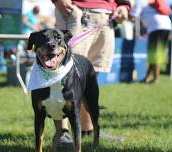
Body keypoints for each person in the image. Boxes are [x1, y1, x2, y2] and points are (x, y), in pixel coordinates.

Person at [51, 0, 131, 146]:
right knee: (66, 75)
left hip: (107, 17)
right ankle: (63, 133)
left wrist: (124, 6)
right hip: (75, 13)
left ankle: (87, 129)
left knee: (90, 77)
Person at [131, 0, 172, 84]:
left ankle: (156, 79)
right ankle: (147, 77)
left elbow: (134, 15)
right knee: (156, 53)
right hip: (166, 26)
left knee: (154, 54)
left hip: (156, 27)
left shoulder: (140, 1)